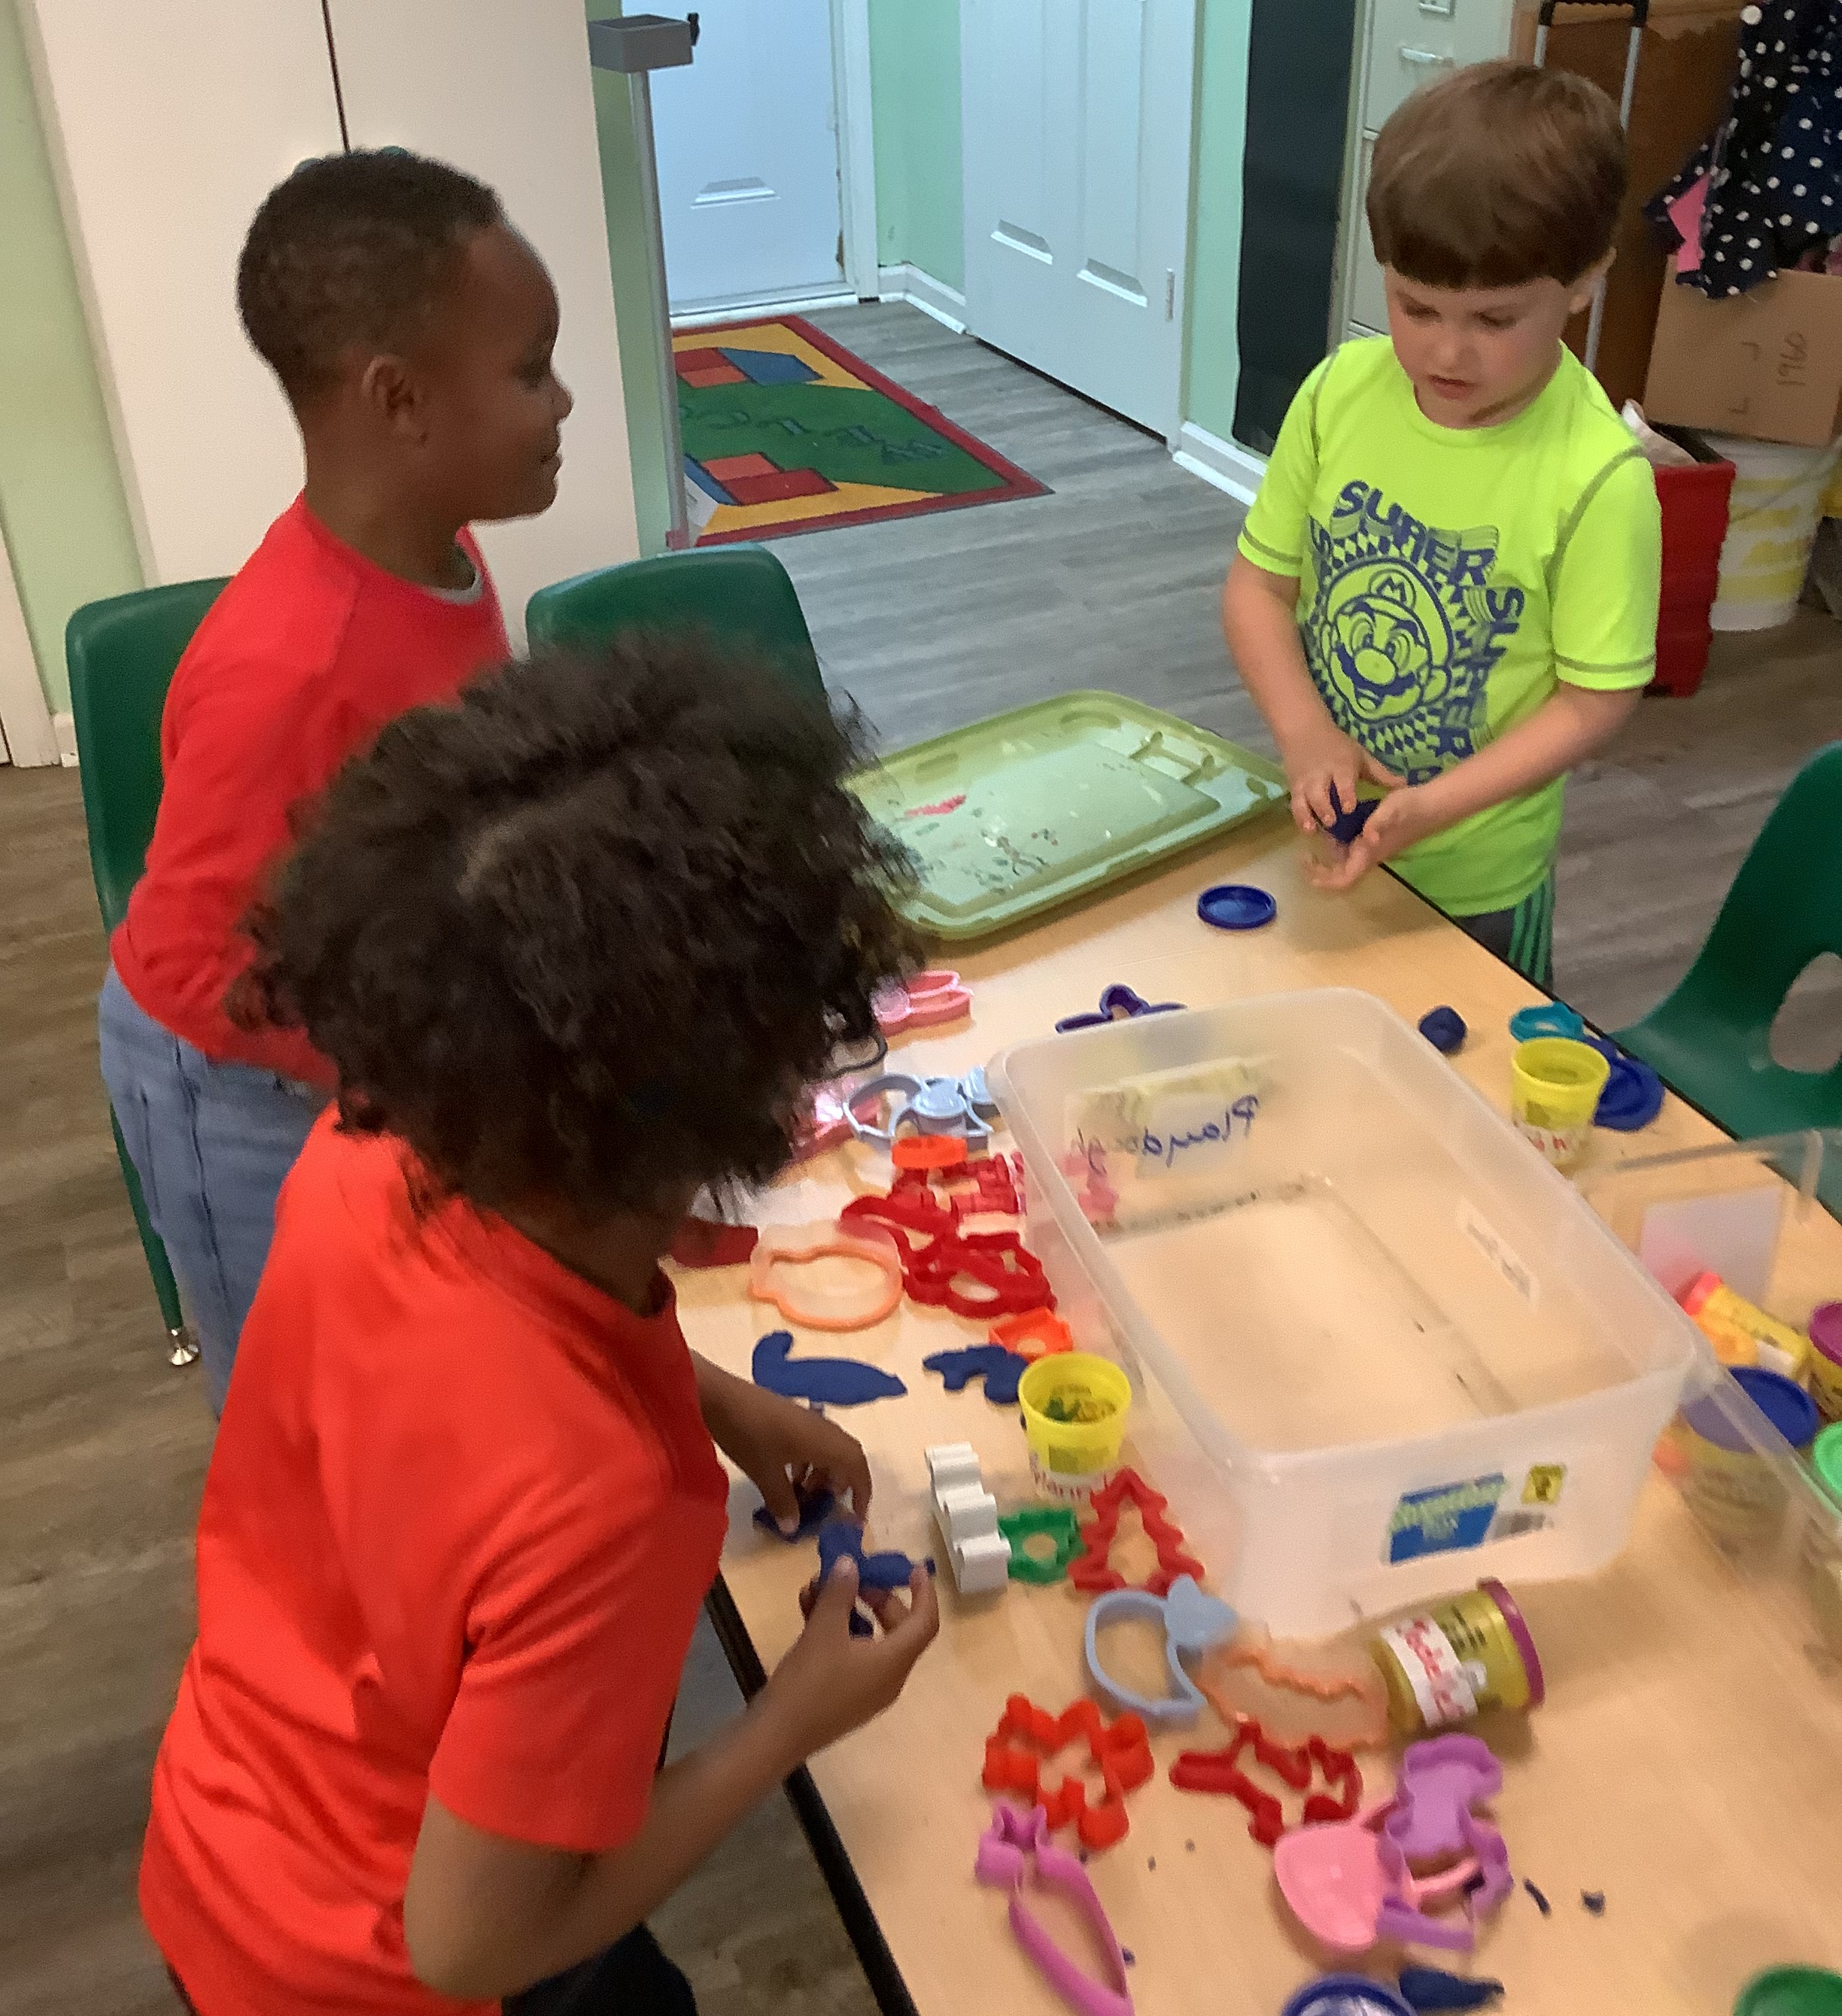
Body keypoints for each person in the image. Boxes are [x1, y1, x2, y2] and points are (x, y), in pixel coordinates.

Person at [140, 636, 941, 2015]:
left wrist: (719, 1397)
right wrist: (787, 1719)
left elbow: (491, 1353)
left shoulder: (373, 1151)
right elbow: (469, 1944)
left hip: (230, 1839)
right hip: (388, 1972)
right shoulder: (604, 1500)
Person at [99, 148, 571, 1412]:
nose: (564, 400)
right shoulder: (293, 669)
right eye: (531, 371)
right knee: (302, 1413)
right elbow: (211, 969)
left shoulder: (445, 556)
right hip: (230, 1084)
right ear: (401, 401)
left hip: (355, 1024)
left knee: (407, 1358)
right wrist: (429, 1067)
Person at [1222, 62, 1661, 989]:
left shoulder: (1599, 479)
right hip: (1318, 835)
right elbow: (1259, 589)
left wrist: (1436, 806)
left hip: (1479, 884)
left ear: (1585, 281)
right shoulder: (1338, 395)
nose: (1446, 350)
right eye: (1415, 306)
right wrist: (1305, 732)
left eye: (1494, 319)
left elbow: (1595, 700)